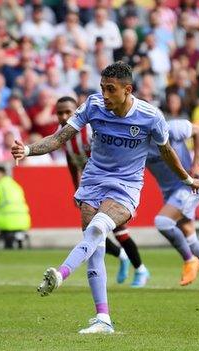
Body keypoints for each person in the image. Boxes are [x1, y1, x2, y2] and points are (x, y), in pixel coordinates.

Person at [11, 62, 199, 334]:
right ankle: (102, 318)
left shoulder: (151, 116)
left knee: (98, 228)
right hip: (92, 182)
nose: (104, 94)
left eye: (110, 89)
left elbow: (167, 153)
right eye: (102, 88)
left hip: (126, 186)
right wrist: (28, 149)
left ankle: (61, 273)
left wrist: (188, 179)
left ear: (128, 90)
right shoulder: (93, 105)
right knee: (96, 248)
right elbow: (60, 138)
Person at [55, 96, 150, 287]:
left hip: (113, 185)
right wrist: (78, 190)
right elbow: (72, 164)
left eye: (68, 111)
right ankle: (124, 258)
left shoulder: (91, 129)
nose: (64, 116)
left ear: (78, 110)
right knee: (93, 232)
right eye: (60, 113)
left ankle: (140, 269)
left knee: (119, 231)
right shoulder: (62, 134)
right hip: (92, 189)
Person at [146, 115, 199, 290]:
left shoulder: (171, 128)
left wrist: (196, 165)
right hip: (170, 193)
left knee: (163, 222)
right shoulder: (136, 143)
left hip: (190, 187)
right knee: (190, 239)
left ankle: (190, 260)